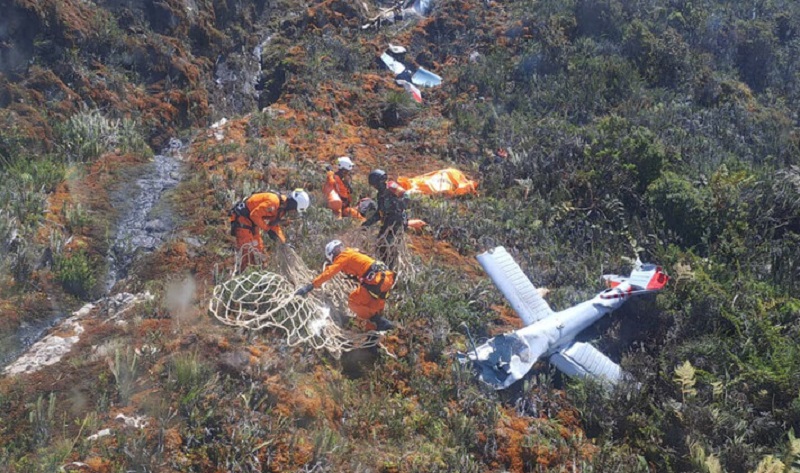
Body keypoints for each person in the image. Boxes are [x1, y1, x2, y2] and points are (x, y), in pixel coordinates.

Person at [294, 240, 396, 331]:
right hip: (386, 278)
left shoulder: (343, 256)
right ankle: (384, 329)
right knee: (372, 309)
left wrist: (311, 286)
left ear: (332, 255)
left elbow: (329, 273)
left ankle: (379, 323)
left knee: (353, 302)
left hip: (376, 281)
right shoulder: (352, 252)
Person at [229, 189, 310, 271]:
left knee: (259, 252)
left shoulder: (281, 208)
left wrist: (284, 242)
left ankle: (256, 273)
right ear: (293, 204)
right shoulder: (273, 202)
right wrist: (267, 229)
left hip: (252, 223)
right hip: (242, 219)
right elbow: (254, 215)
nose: (294, 212)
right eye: (295, 210)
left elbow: (274, 226)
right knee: (247, 253)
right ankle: (242, 274)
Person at [362, 169, 407, 269]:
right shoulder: (380, 195)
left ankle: (390, 268)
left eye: (375, 185)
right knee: (380, 244)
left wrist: (399, 208)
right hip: (388, 221)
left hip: (397, 222)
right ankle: (383, 266)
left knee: (388, 246)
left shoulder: (391, 186)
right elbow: (379, 213)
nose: (374, 187)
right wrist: (367, 224)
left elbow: (406, 197)